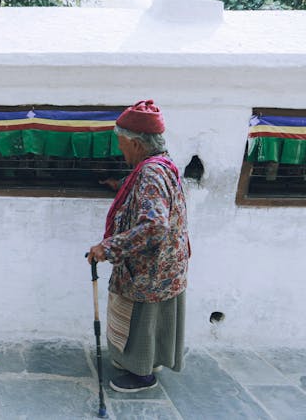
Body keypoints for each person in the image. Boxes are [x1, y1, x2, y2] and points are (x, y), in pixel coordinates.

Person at [87, 99, 190, 393]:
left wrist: (108, 248)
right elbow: (151, 201)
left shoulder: (150, 174)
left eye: (121, 143)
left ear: (136, 144)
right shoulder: (161, 165)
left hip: (150, 269)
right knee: (150, 321)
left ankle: (141, 375)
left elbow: (154, 225)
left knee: (141, 322)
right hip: (166, 264)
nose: (120, 149)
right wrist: (122, 186)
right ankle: (144, 364)